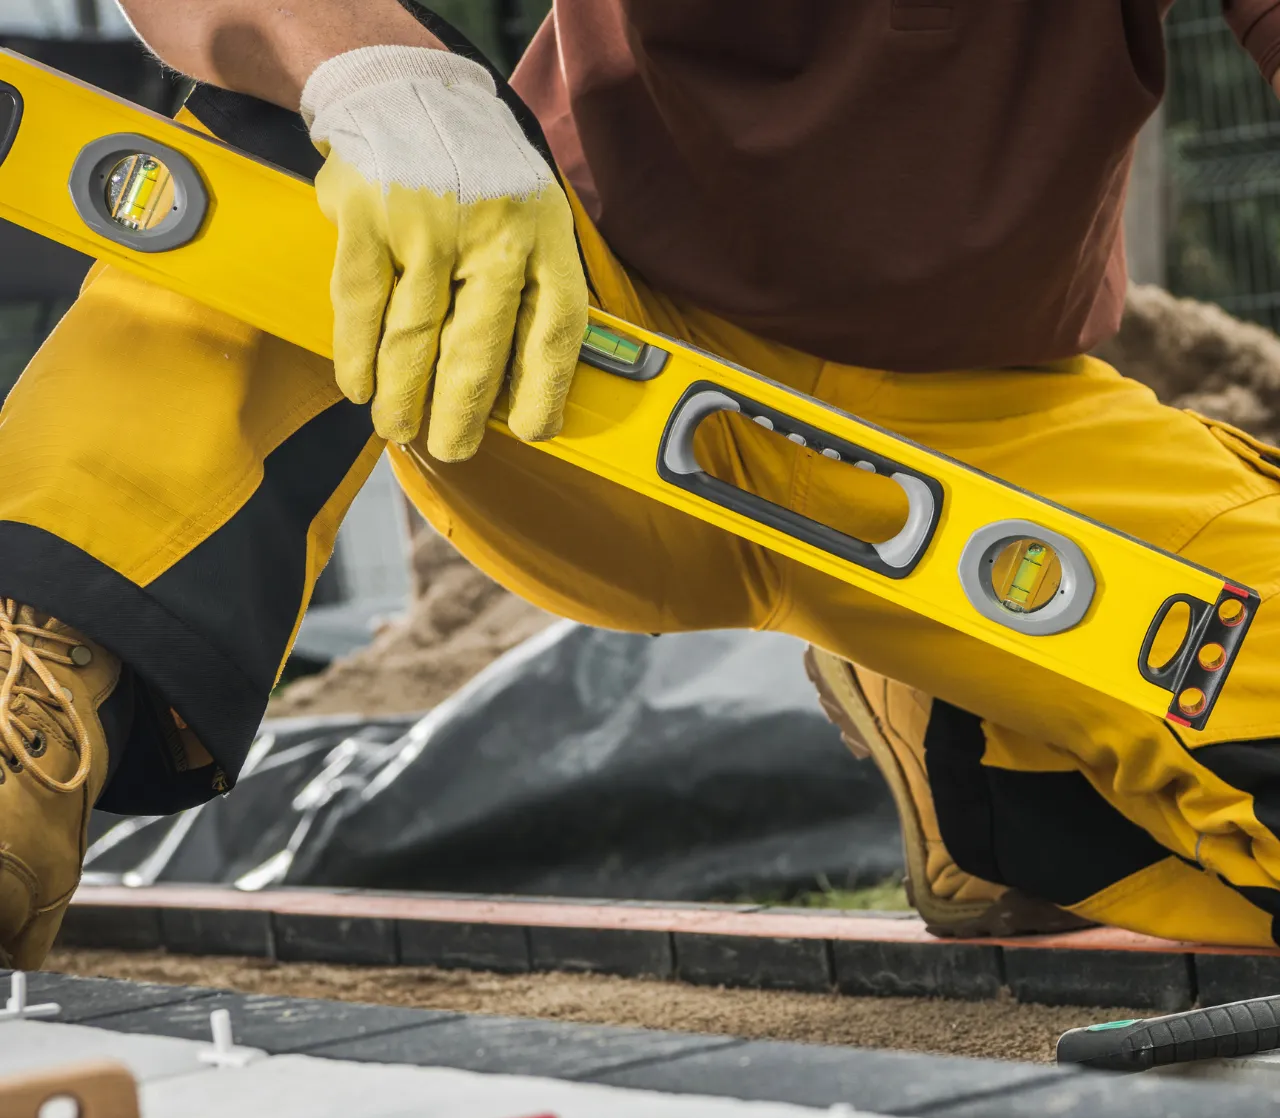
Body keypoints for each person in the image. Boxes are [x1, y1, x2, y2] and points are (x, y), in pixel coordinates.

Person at [2, 0, 1280, 967]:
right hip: (565, 352)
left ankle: (976, 739)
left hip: (983, 459)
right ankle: (34, 696)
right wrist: (368, 72)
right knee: (307, 148)